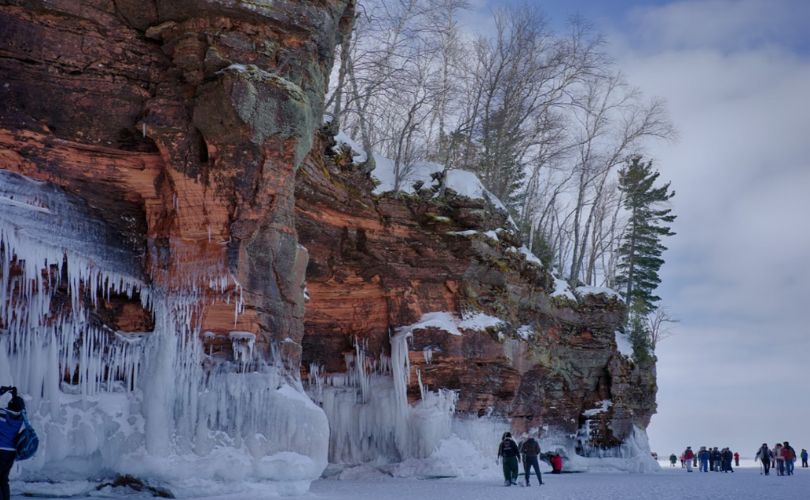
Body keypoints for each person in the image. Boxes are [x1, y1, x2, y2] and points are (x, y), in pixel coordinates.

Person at [0, 387, 25, 500]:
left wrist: (1, 393)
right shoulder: (21, 418)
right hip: (12, 452)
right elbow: (21, 408)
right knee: (4, 479)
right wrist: (15, 396)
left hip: (0, 450)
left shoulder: (3, 415)